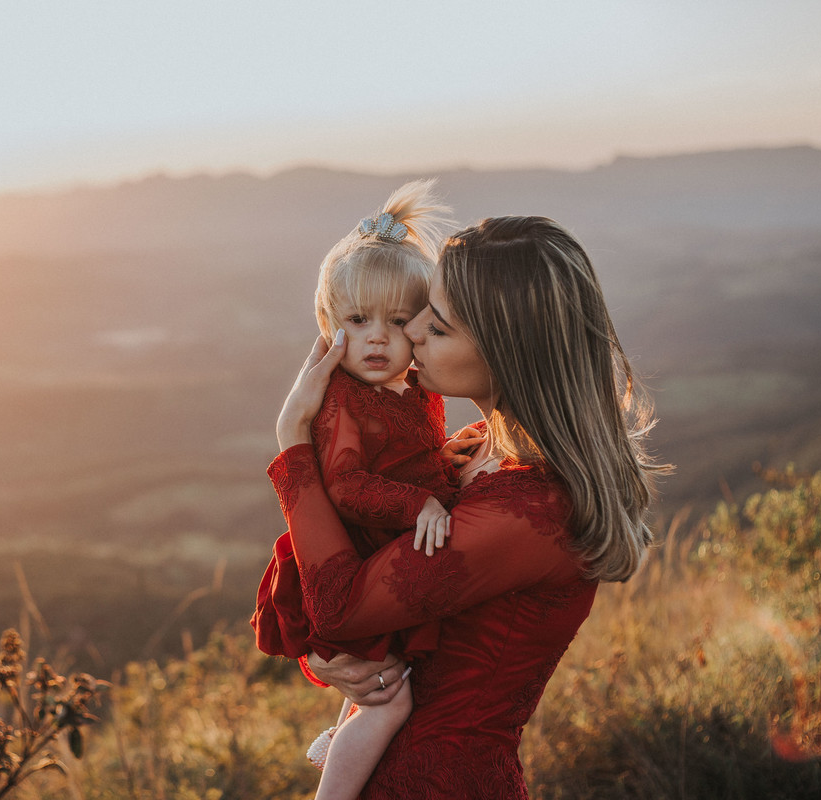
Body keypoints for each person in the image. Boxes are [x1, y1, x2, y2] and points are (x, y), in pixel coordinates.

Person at [268, 214, 668, 799]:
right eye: (424, 308)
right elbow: (376, 592)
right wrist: (337, 664)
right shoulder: (477, 446)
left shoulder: (529, 510)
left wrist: (293, 439)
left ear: (507, 351)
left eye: (440, 324)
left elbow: (340, 606)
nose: (415, 329)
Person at [252, 180, 469, 800]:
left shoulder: (415, 390)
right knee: (389, 700)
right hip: (349, 556)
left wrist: (444, 469)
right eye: (357, 320)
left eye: (398, 321)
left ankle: (341, 733)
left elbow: (416, 459)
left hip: (378, 552)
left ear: (422, 327)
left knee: (385, 682)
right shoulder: (343, 403)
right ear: (328, 325)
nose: (378, 337)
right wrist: (419, 503)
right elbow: (346, 486)